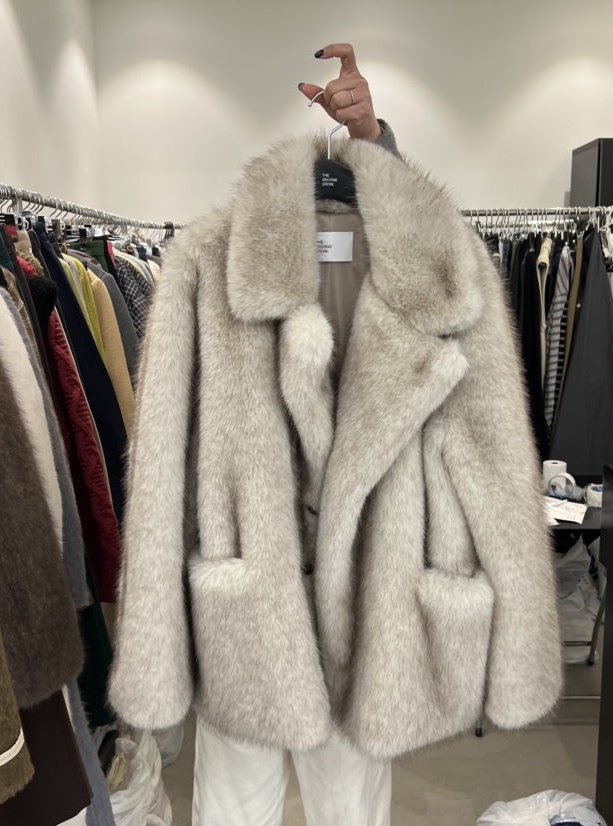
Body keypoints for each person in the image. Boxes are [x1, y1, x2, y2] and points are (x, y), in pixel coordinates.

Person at [191, 46, 395, 826]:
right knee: (235, 802)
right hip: (247, 584)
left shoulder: (405, 268)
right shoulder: (215, 265)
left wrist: (372, 144)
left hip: (359, 580)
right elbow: (173, 445)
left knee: (350, 801)